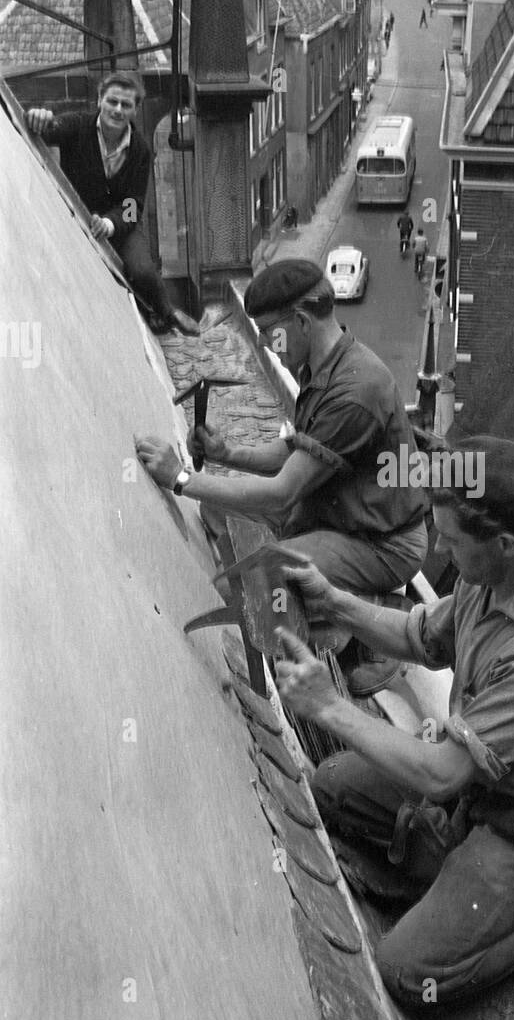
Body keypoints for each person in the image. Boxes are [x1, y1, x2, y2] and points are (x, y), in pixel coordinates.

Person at [273, 436, 514, 1008]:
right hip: (479, 792)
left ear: (504, 543)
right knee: (331, 789)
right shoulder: (491, 578)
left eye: (450, 540)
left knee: (408, 974)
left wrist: (328, 705)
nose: (437, 548)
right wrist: (332, 600)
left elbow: (441, 776)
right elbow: (420, 638)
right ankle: (460, 875)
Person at [134, 259, 428, 694]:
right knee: (218, 509)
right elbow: (297, 451)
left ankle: (375, 623)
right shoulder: (324, 362)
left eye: (272, 332)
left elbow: (280, 494)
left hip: (382, 543)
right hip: (337, 516)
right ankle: (327, 592)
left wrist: (179, 479)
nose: (269, 347)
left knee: (269, 578)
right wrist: (228, 452)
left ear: (303, 321)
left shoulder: (355, 392)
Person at [25, 72, 198, 335]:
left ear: (136, 110)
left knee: (142, 271)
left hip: (118, 224)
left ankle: (166, 313)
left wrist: (110, 224)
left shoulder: (140, 151)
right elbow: (49, 129)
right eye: (112, 101)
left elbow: (133, 204)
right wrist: (38, 117)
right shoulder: (78, 125)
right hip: (75, 220)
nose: (117, 110)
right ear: (100, 101)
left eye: (125, 105)